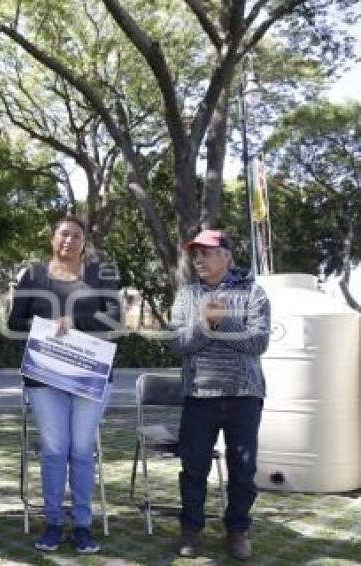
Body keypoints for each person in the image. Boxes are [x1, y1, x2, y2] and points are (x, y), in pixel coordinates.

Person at [7, 216, 121, 555]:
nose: (69, 240)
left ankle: (83, 525)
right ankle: (54, 522)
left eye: (76, 236)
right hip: (44, 377)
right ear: (52, 239)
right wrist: (46, 326)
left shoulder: (101, 274)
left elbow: (115, 317)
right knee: (55, 451)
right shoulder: (33, 275)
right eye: (63, 234)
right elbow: (14, 321)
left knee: (82, 451)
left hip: (90, 374)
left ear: (84, 242)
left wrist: (75, 322)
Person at [169, 229, 270, 561]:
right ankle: (191, 530)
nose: (199, 258)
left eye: (207, 252)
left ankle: (237, 530)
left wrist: (218, 323)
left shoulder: (254, 292)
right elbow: (179, 345)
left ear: (226, 256)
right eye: (195, 253)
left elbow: (258, 343)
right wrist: (206, 326)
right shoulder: (186, 296)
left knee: (243, 468)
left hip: (244, 393)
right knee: (194, 466)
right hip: (199, 394)